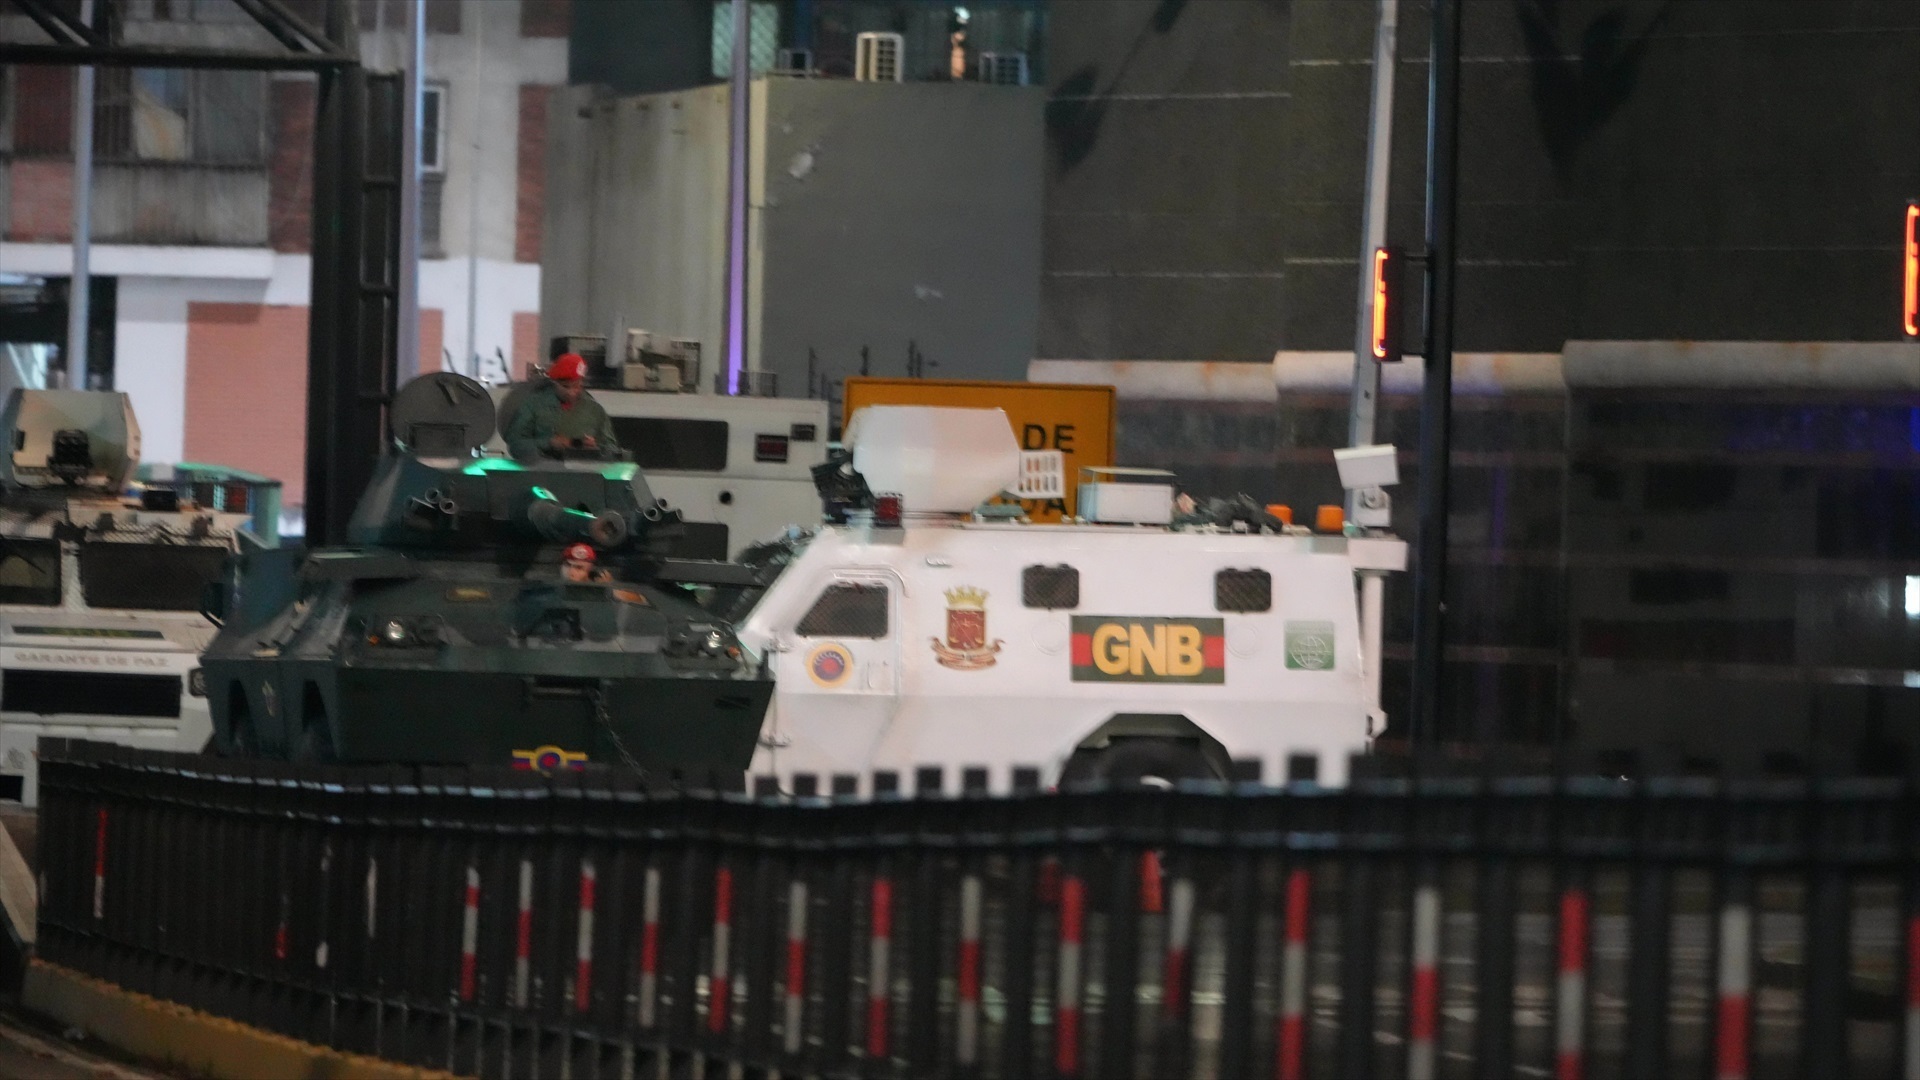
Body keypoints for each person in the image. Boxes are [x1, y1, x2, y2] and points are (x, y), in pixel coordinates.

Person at [503, 353, 620, 460]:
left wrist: (595, 449)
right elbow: (515, 444)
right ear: (554, 383)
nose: (571, 392)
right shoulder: (534, 405)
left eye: (576, 386)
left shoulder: (594, 410)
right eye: (565, 386)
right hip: (541, 470)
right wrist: (549, 443)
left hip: (581, 471)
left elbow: (612, 450)